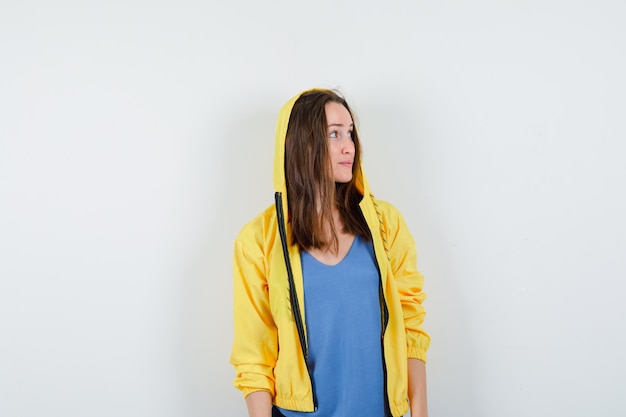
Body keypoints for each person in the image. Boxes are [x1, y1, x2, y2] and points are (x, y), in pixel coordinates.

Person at [230, 88, 430, 417]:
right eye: (334, 134)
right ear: (302, 143)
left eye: (350, 133)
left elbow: (411, 325)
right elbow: (254, 358)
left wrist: (420, 413)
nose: (348, 145)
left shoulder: (385, 224)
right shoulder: (257, 241)